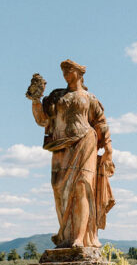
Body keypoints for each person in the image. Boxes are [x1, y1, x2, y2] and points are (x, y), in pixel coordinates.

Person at [28, 59, 115, 248]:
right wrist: (35, 100)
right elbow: (43, 120)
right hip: (61, 146)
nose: (66, 74)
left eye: (69, 70)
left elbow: (101, 122)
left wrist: (108, 149)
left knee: (82, 186)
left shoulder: (89, 98)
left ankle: (79, 237)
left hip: (86, 142)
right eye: (64, 71)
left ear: (80, 73)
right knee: (59, 189)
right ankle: (66, 235)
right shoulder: (57, 96)